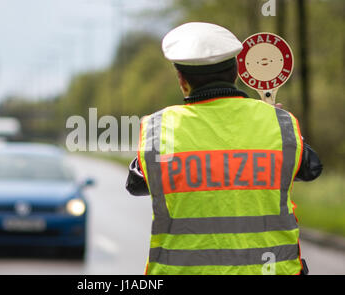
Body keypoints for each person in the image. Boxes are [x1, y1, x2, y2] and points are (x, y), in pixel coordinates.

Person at [125, 22, 322, 275]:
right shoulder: (279, 124)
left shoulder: (161, 129)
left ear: (182, 81)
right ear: (237, 73)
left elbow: (135, 184)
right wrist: (273, 122)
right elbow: (311, 168)